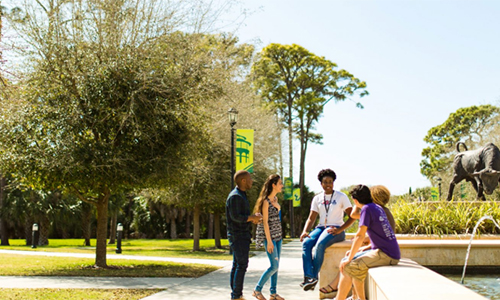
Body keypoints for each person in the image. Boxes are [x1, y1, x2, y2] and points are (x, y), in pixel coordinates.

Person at [319, 185, 397, 295]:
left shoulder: (375, 210)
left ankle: (339, 290)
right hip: (381, 250)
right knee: (349, 259)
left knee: (349, 263)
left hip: (384, 253)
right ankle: (353, 296)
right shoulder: (379, 210)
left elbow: (355, 218)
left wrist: (357, 202)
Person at [299, 169, 355, 291]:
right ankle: (309, 277)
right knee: (307, 243)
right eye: (325, 182)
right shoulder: (317, 198)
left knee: (320, 244)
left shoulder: (341, 197)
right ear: (321, 184)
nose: (328, 184)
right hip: (320, 228)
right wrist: (305, 231)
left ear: (334, 182)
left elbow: (353, 216)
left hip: (336, 229)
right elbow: (311, 218)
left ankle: (312, 277)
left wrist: (341, 230)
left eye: (330, 181)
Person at [226, 170, 263, 300]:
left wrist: (252, 218)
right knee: (241, 265)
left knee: (237, 264)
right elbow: (235, 217)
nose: (251, 181)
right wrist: (251, 218)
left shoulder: (241, 195)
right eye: (250, 179)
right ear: (243, 181)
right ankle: (236, 296)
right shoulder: (235, 196)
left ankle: (236, 294)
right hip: (238, 236)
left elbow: (241, 216)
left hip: (242, 235)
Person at [252, 174, 285, 300]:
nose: (282, 186)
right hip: (270, 238)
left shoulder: (275, 200)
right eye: (280, 183)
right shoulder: (265, 202)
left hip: (278, 237)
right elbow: (265, 222)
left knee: (277, 266)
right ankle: (257, 290)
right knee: (274, 266)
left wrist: (278, 207)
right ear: (274, 185)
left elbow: (276, 218)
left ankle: (273, 293)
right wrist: (269, 242)